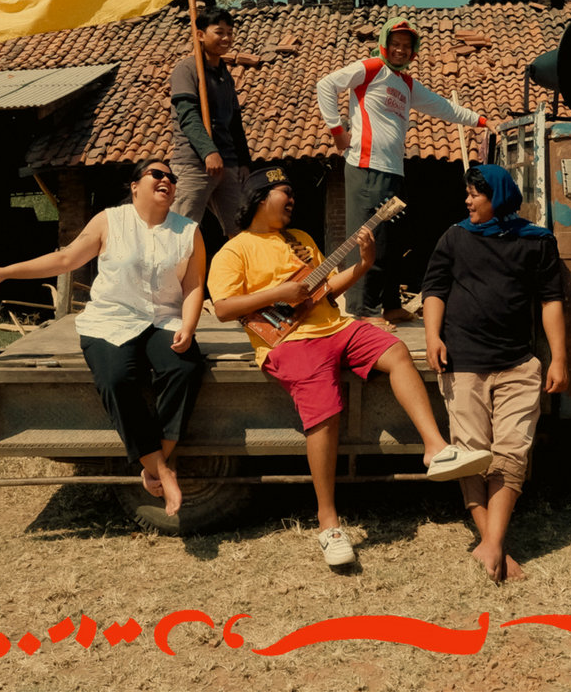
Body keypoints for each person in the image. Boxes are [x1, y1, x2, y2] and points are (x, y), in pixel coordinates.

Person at [208, 167, 492, 568]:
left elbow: (324, 291)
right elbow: (223, 308)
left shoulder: (301, 240)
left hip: (337, 327)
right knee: (325, 412)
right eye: (284, 192)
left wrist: (363, 263)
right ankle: (328, 523)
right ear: (259, 198)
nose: (292, 200)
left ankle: (436, 448)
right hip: (289, 342)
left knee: (395, 350)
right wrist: (279, 292)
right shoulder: (235, 250)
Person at [0, 158, 205, 516]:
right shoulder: (109, 221)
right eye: (157, 174)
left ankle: (156, 463)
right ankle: (163, 471)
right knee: (117, 379)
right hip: (110, 321)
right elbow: (66, 259)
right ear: (135, 186)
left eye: (172, 177)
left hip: (163, 320)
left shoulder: (188, 231)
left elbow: (193, 286)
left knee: (185, 368)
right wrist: (6, 272)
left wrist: (188, 326)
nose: (167, 180)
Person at [422, 164, 568, 583]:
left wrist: (559, 358)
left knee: (511, 452)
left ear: (499, 197)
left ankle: (490, 543)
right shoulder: (455, 237)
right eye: (467, 193)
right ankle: (496, 547)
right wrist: (432, 336)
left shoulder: (537, 242)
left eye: (476, 194)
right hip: (463, 364)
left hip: (517, 364)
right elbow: (434, 290)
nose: (467, 201)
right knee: (470, 454)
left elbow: (551, 301)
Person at [316, 17, 489, 324]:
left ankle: (390, 304)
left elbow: (443, 107)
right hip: (366, 167)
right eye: (395, 44)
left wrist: (481, 121)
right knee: (370, 238)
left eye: (406, 46)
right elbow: (326, 85)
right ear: (384, 44)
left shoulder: (406, 84)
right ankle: (364, 310)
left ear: (413, 51)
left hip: (394, 171)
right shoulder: (371, 68)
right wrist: (337, 131)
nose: (400, 50)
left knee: (394, 239)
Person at [170, 7, 252, 237]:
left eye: (229, 33)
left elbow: (235, 123)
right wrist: (208, 151)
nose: (226, 38)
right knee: (180, 232)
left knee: (243, 230)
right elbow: (188, 115)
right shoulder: (186, 69)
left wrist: (243, 161)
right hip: (194, 163)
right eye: (219, 32)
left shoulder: (225, 75)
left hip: (228, 164)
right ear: (200, 35)